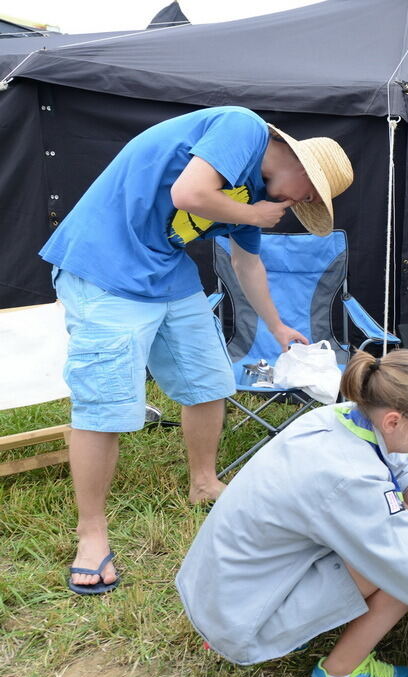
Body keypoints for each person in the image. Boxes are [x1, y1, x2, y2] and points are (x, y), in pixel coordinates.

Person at [39, 106, 355, 595]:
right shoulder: (242, 128)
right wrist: (252, 213)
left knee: (210, 381)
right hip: (104, 266)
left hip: (167, 272)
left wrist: (276, 325)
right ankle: (92, 533)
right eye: (310, 194)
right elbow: (188, 194)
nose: (300, 203)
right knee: (105, 406)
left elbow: (249, 265)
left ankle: (204, 483)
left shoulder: (254, 193)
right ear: (298, 163)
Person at [176, 350, 408, 677]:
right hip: (245, 620)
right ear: (392, 421)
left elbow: (397, 460)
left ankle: (250, 621)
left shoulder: (337, 418)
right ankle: (340, 676)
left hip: (221, 592)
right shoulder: (351, 478)